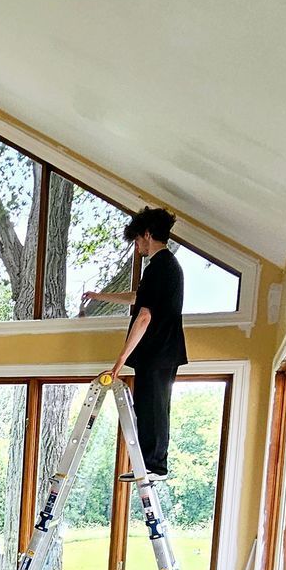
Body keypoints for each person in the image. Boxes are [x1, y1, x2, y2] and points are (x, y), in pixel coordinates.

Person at [83, 206, 185, 481]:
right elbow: (137, 298)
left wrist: (118, 363)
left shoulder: (162, 267)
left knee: (153, 408)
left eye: (138, 240)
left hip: (158, 350)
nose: (137, 246)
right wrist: (100, 296)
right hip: (161, 352)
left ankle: (154, 467)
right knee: (150, 406)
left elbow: (144, 315)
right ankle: (150, 465)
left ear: (148, 234)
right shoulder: (164, 267)